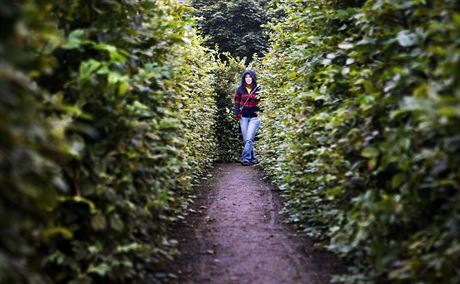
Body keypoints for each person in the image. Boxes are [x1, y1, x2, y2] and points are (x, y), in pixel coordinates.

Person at [233, 70, 262, 166]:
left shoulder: (258, 88)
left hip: (255, 117)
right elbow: (236, 102)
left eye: (250, 77)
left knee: (249, 138)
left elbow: (263, 102)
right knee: (247, 140)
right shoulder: (240, 89)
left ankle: (245, 158)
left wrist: (261, 113)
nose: (248, 79)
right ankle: (253, 158)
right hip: (243, 116)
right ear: (244, 78)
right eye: (246, 77)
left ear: (253, 78)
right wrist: (237, 112)